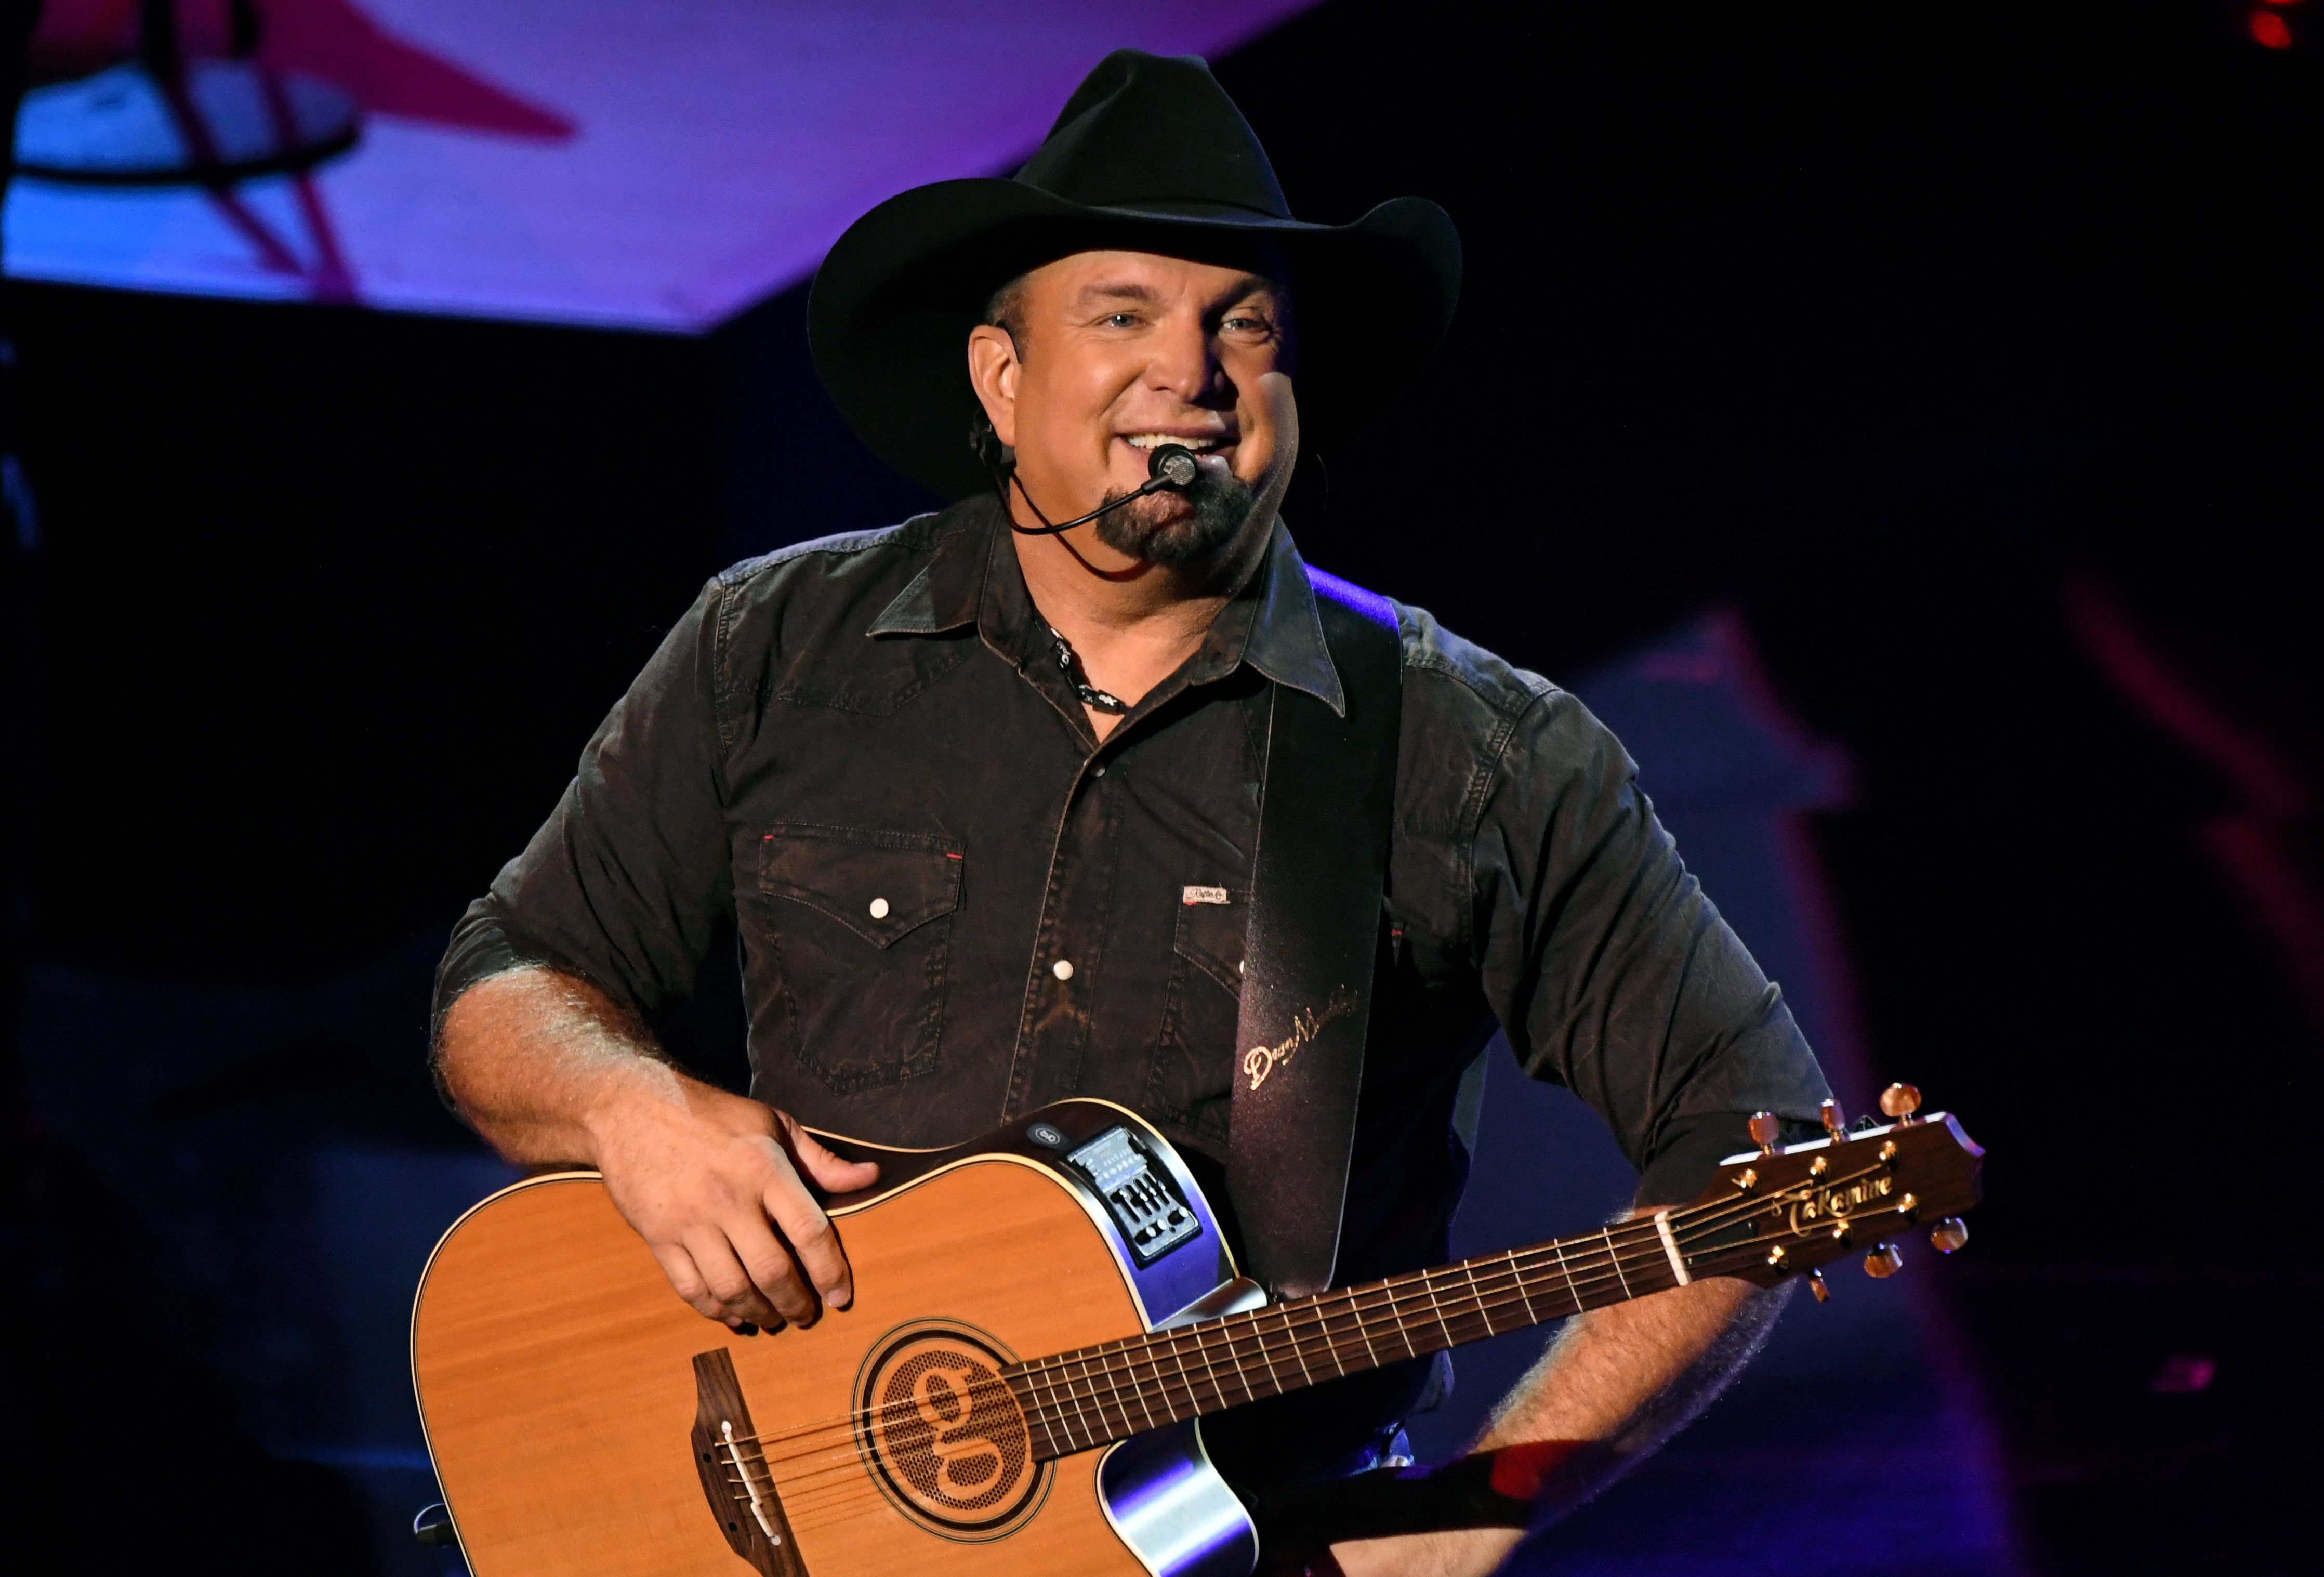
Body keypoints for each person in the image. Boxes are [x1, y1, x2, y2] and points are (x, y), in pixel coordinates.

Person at [431, 49, 1829, 1577]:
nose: (1190, 371)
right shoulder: (772, 645)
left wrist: (1478, 1513)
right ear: (1000, 378)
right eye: (1121, 315)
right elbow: (509, 978)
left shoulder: (1476, 747)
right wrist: (628, 1111)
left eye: (1245, 324)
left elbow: (1755, 1147)